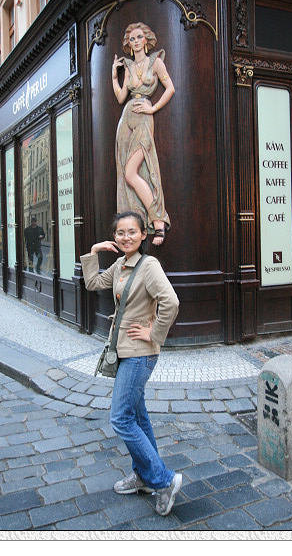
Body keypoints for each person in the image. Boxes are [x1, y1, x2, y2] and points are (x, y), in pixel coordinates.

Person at [80, 211, 182, 516]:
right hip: (124, 348)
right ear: (115, 236)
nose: (126, 237)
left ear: (143, 235)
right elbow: (92, 283)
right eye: (120, 233)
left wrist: (154, 333)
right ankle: (143, 476)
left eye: (132, 232)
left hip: (140, 352)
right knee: (138, 416)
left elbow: (171, 302)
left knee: (121, 418)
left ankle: (163, 480)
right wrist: (94, 252)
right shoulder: (121, 264)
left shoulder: (148, 265)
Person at [112, 22, 175, 246]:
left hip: (144, 117)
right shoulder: (129, 67)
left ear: (146, 40)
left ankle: (159, 221)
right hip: (126, 119)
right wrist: (114, 77)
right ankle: (138, 221)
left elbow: (170, 89)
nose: (136, 41)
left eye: (139, 37)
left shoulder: (156, 62)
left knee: (133, 173)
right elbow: (121, 97)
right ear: (129, 44)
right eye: (132, 39)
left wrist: (153, 108)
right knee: (126, 173)